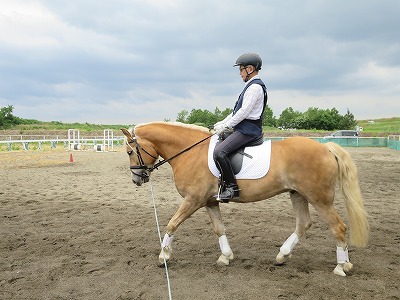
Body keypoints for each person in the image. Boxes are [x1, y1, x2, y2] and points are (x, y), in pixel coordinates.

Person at [213, 53, 268, 201]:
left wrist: (226, 126)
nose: (240, 73)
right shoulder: (250, 86)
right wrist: (222, 123)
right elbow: (236, 111)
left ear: (250, 69)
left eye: (241, 69)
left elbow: (244, 112)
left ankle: (232, 188)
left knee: (219, 152)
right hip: (244, 128)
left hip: (248, 130)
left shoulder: (254, 87)